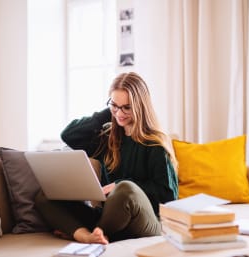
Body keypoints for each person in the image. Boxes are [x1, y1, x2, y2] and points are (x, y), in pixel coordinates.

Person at [35, 72, 178, 244]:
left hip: (146, 221)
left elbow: (168, 196)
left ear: (140, 106)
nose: (120, 113)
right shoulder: (107, 138)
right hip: (110, 217)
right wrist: (109, 112)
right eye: (115, 105)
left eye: (127, 107)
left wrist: (118, 186)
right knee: (45, 196)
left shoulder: (155, 143)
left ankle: (95, 232)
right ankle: (88, 236)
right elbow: (69, 135)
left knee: (125, 189)